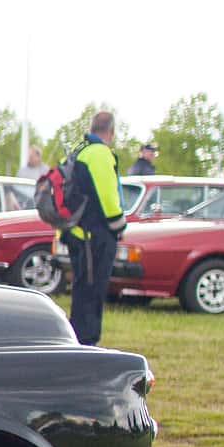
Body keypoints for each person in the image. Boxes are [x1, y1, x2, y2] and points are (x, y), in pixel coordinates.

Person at [66, 110, 125, 346]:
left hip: (77, 231)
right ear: (110, 131)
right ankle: (87, 340)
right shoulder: (100, 153)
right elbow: (107, 196)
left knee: (81, 289)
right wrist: (118, 225)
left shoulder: (79, 150)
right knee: (93, 290)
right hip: (95, 235)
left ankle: (77, 337)